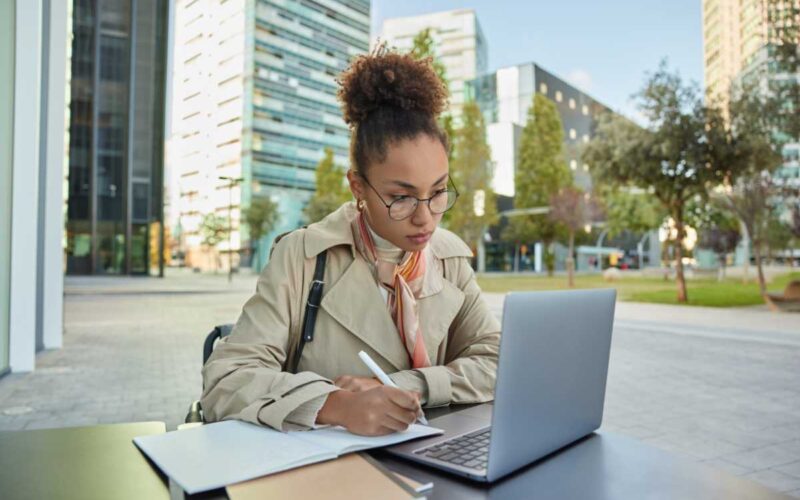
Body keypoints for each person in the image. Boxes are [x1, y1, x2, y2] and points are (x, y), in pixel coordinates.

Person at [201, 47, 500, 436]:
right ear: (358, 186)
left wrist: (410, 385)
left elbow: (499, 361)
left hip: (431, 460)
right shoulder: (303, 256)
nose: (425, 216)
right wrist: (333, 404)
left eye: (439, 191)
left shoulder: (449, 258)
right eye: (401, 197)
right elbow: (226, 378)